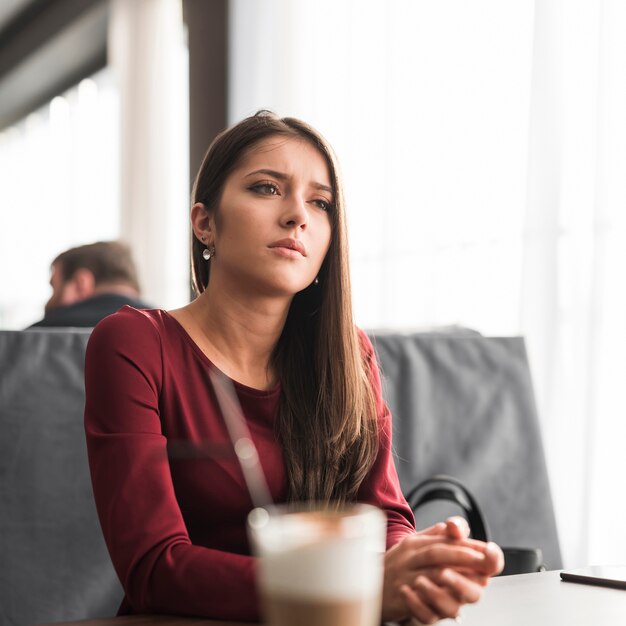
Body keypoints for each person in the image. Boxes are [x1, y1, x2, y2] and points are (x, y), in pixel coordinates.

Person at [84, 111, 503, 624]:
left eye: (320, 202)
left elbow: (386, 517)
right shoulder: (133, 343)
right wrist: (353, 589)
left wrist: (417, 564)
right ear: (205, 223)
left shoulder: (349, 353)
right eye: (266, 188)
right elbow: (152, 567)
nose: (297, 216)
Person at [29, 241, 152, 328]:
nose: (47, 304)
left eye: (54, 287)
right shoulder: (166, 330)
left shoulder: (32, 339)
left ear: (81, 283)